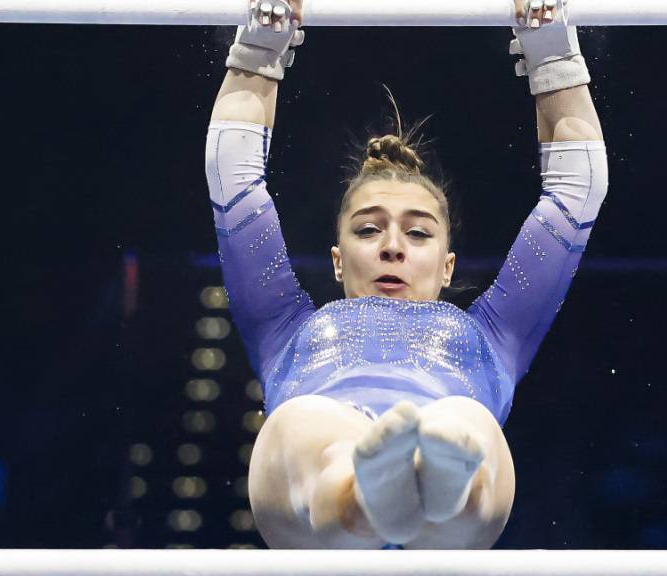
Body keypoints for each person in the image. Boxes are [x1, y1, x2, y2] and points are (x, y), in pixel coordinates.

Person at [205, 0, 607, 549]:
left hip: (458, 490)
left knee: (463, 424)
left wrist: (551, 47)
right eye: (369, 231)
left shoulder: (496, 333)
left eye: (417, 234)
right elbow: (236, 185)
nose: (393, 247)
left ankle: (426, 477)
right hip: (315, 491)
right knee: (313, 430)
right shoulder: (283, 327)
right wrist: (260, 42)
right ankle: (370, 489)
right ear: (338, 258)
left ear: (448, 267)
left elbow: (573, 195)